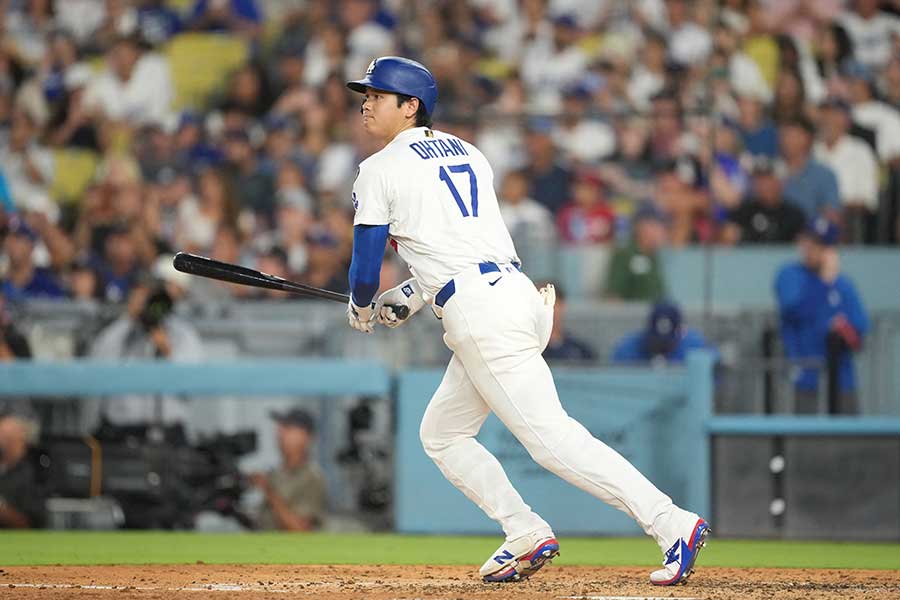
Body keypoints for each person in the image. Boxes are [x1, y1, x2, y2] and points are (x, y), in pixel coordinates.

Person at [342, 56, 708, 586]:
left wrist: (360, 303)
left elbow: (365, 263)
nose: (366, 102)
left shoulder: (378, 168)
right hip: (510, 294)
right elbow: (456, 246)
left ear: (410, 105)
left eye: (378, 94)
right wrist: (411, 296)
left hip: (480, 313)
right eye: (366, 93)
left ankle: (671, 522)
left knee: (552, 440)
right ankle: (524, 531)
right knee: (442, 435)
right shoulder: (468, 152)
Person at [775, 217, 869, 414]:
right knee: (803, 439)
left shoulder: (843, 284)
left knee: (849, 438)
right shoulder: (790, 274)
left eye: (818, 244)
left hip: (841, 378)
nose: (810, 248)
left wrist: (843, 329)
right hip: (803, 375)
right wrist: (824, 283)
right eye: (807, 241)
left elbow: (860, 328)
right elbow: (794, 311)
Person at [251, 408, 327, 531]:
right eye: (280, 427)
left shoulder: (312, 477)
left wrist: (268, 490)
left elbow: (300, 530)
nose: (280, 432)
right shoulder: (275, 473)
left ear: (305, 436)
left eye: (288, 428)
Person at [721, 157, 807, 244]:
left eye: (769, 179)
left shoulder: (794, 216)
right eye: (759, 180)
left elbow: (802, 245)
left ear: (781, 182)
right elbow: (726, 239)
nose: (764, 186)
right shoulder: (742, 212)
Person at [611, 302, 715, 366]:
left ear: (682, 332)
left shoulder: (695, 347)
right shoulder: (628, 349)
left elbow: (715, 369)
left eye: (668, 347)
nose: (661, 352)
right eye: (655, 345)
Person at [779, 117, 841, 220]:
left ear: (807, 138)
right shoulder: (771, 171)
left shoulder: (824, 175)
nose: (786, 140)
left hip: (810, 232)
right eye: (784, 135)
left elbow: (832, 215)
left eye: (792, 135)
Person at [605, 204, 669, 302]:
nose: (661, 231)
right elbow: (613, 295)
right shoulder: (624, 254)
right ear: (639, 226)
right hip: (631, 315)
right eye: (655, 225)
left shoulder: (654, 255)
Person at [0, 413, 45, 529]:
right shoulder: (4, 470)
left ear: (20, 441)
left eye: (7, 439)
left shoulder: (33, 474)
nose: (2, 444)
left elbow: (32, 523)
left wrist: (4, 512)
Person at [539, 283, 595, 364]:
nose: (544, 309)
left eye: (550, 302)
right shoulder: (523, 351)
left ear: (562, 305)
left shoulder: (580, 351)